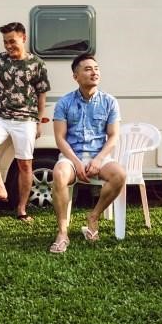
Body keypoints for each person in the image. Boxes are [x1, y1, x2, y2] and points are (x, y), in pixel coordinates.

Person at [48, 53, 126, 253]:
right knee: (59, 174)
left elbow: (113, 136)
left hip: (99, 156)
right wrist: (76, 162)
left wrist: (99, 159)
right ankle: (62, 232)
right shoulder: (64, 102)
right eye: (88, 69)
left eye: (96, 68)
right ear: (76, 76)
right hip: (71, 157)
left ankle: (93, 216)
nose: (94, 72)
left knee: (119, 175)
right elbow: (60, 138)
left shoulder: (109, 101)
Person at [0, 22, 51, 222]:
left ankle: (21, 209)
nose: (8, 46)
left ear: (23, 38)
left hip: (26, 120)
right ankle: (0, 187)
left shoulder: (37, 64)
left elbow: (41, 95)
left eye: (12, 41)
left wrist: (38, 122)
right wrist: (3, 99)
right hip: (2, 118)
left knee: (25, 165)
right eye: (5, 42)